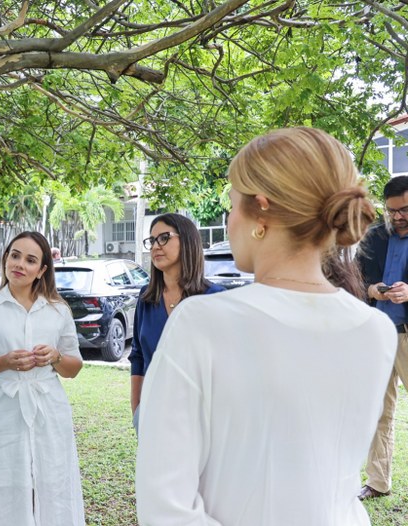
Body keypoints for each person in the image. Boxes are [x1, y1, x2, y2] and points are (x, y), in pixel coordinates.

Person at [135, 127, 397, 525]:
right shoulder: (374, 330)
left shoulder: (202, 322)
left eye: (232, 203)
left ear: (260, 210)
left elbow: (165, 506)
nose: (228, 221)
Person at [0, 231, 84, 525]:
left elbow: (74, 367)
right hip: (1, 411)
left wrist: (55, 357)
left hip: (49, 411)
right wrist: (4, 362)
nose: (19, 265)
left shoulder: (57, 310)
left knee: (51, 485)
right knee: (0, 491)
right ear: (5, 259)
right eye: (15, 256)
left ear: (41, 270)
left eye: (30, 260)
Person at [129, 213, 224, 432]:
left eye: (164, 238)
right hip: (153, 413)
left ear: (187, 241)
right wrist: (137, 410)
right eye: (151, 240)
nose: (155, 246)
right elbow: (138, 357)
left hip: (201, 416)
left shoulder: (213, 297)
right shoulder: (146, 298)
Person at [355, 175, 408, 500]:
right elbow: (357, 282)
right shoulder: (373, 237)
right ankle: (377, 481)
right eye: (392, 211)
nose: (398, 216)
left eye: (404, 209)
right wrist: (373, 290)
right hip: (378, 335)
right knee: (378, 410)